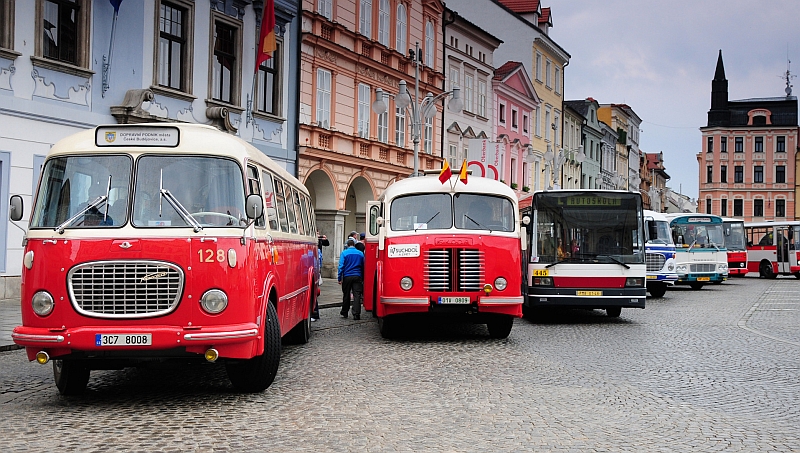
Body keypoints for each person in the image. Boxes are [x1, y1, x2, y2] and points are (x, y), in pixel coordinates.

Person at [338, 237, 364, 320]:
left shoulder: (344, 253)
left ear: (347, 245)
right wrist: (362, 276)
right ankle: (356, 313)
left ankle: (345, 312)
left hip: (347, 276)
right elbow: (363, 266)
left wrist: (339, 277)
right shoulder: (360, 253)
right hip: (357, 275)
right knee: (357, 295)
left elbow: (341, 266)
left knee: (346, 294)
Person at [312, 230, 329, 321]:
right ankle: (315, 313)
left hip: (317, 267)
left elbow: (327, 244)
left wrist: (324, 239)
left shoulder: (318, 249)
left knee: (314, 291)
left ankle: (315, 314)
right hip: (316, 267)